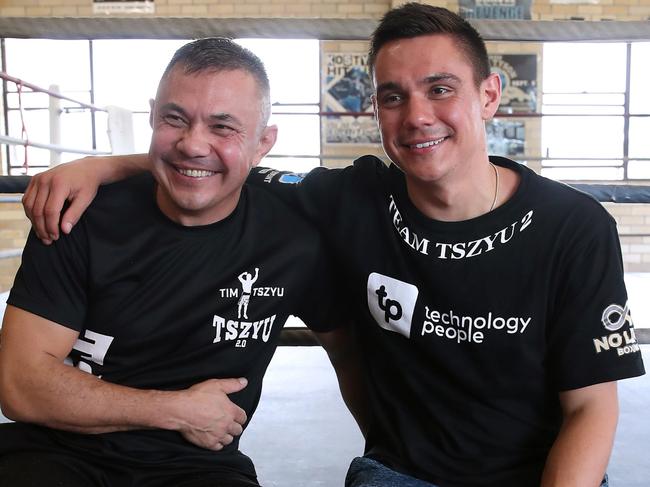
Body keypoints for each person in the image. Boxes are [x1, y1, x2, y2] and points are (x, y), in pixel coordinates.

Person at [17, 3, 646, 486]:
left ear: (488, 95)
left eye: (441, 88)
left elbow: (592, 408)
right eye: (393, 97)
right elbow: (212, 162)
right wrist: (102, 165)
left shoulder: (574, 226)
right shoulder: (349, 199)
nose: (417, 115)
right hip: (400, 473)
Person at [0, 37, 349, 487]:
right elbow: (21, 385)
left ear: (264, 143)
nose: (193, 144)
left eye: (223, 127)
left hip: (196, 467)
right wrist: (177, 410)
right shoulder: (80, 214)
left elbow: (349, 348)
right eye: (175, 118)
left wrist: (388, 453)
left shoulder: (293, 236)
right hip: (53, 451)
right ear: (152, 116)